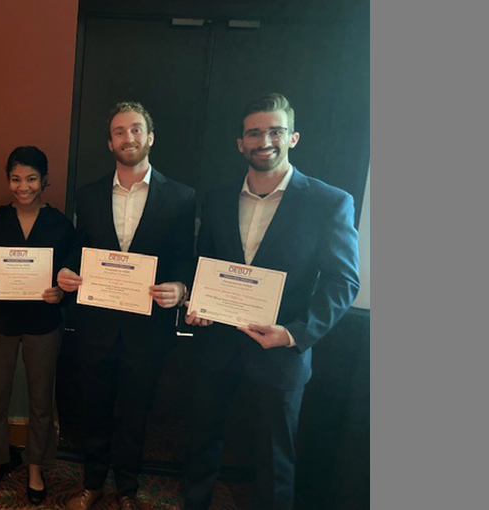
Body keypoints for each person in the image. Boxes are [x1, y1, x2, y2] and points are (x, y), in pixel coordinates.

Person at [182, 93, 360, 510]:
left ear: (293, 137)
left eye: (275, 130)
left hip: (280, 351)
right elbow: (204, 263)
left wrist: (295, 335)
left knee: (274, 457)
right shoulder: (218, 198)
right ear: (240, 143)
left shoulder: (329, 202)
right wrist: (198, 301)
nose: (265, 140)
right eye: (254, 132)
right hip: (217, 345)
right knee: (201, 441)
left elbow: (343, 282)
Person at [57, 102, 197, 510]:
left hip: (147, 329)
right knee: (94, 409)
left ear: (150, 137)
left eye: (136, 130)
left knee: (136, 412)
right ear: (110, 142)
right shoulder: (89, 193)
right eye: (119, 131)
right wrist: (67, 272)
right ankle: (93, 483)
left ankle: (129, 490)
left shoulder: (183, 197)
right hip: (96, 325)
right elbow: (79, 250)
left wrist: (181, 287)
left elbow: (186, 257)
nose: (128, 137)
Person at [0, 146, 75, 505]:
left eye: (31, 178)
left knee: (41, 401)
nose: (23, 186)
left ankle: (35, 465)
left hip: (44, 324)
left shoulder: (61, 225)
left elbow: (72, 279)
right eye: (15, 179)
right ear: (8, 180)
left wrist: (61, 293)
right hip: (1, 321)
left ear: (44, 179)